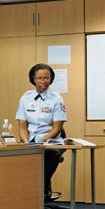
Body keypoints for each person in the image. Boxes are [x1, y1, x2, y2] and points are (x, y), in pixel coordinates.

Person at [15, 63, 67, 200]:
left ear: (51, 79)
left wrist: (41, 142)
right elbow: (22, 126)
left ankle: (43, 189)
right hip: (29, 140)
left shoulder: (56, 99)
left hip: (50, 140)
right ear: (33, 79)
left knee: (47, 159)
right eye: (39, 78)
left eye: (46, 78)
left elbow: (57, 128)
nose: (43, 81)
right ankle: (29, 197)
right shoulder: (25, 98)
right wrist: (27, 142)